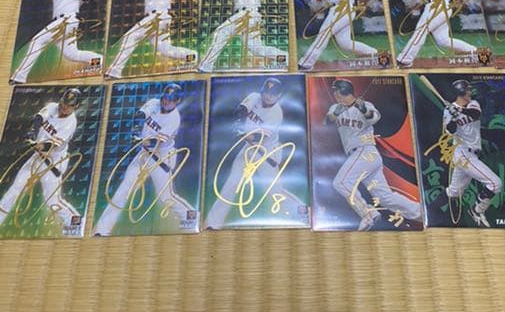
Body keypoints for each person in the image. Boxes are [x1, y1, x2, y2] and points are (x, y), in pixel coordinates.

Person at [94, 84, 195, 235]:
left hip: (161, 158)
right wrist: (136, 130)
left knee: (166, 197)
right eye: (165, 97)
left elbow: (156, 143)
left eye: (171, 99)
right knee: (124, 189)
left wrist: (141, 140)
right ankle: (102, 230)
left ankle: (191, 216)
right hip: (145, 154)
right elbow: (140, 115)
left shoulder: (174, 119)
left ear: (178, 101)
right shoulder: (154, 103)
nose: (166, 101)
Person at [324, 78, 422, 230]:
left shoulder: (366, 105)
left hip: (365, 151)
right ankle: (420, 211)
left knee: (341, 183)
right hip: (362, 157)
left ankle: (368, 214)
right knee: (385, 198)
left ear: (343, 91)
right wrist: (336, 113)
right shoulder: (335, 107)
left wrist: (363, 109)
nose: (334, 94)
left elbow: (373, 118)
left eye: (336, 91)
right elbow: (327, 121)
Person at [206, 78, 303, 228]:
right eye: (266, 92)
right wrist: (238, 123)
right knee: (231, 183)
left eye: (273, 94)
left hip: (267, 153)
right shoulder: (254, 96)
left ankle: (302, 211)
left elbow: (258, 137)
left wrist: (241, 132)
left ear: (279, 96)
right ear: (262, 91)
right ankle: (212, 224)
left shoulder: (276, 113)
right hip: (249, 148)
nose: (268, 96)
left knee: (274, 192)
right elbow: (241, 111)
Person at [0, 88, 83, 232]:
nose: (64, 106)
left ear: (76, 106)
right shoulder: (53, 107)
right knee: (16, 188)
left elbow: (51, 146)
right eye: (64, 102)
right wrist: (33, 133)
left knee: (52, 201)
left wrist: (41, 145)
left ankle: (76, 223)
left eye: (69, 105)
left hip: (54, 162)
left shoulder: (70, 123)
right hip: (37, 157)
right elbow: (39, 118)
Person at [11, 0, 103, 83]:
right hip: (60, 21)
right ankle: (101, 61)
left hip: (68, 19)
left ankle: (19, 77)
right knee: (71, 54)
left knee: (37, 41)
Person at [106, 0, 198, 78]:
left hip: (160, 16)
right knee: (165, 49)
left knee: (130, 37)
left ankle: (114, 72)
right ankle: (193, 55)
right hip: (154, 17)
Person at [199, 0, 288, 72]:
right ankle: (285, 58)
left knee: (221, 33)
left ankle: (205, 66)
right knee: (256, 49)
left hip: (248, 14)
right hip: (246, 15)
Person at [396, 0, 478, 68]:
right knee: (443, 40)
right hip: (431, 6)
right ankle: (473, 51)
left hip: (442, 7)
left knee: (420, 31)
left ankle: (405, 60)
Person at [298, 0, 378, 70]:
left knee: (324, 34)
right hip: (336, 9)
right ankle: (373, 52)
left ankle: (305, 64)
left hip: (346, 8)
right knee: (345, 43)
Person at [443, 79, 502, 227]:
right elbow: (450, 131)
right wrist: (453, 118)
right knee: (495, 184)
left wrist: (459, 111)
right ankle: (476, 210)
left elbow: (475, 114)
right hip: (463, 153)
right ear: (461, 92)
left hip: (472, 154)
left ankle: (445, 213)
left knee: (454, 192)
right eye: (468, 90)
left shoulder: (473, 103)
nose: (470, 92)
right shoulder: (448, 110)